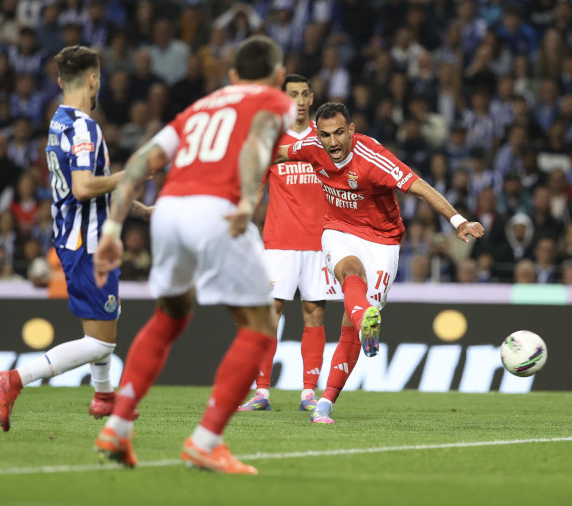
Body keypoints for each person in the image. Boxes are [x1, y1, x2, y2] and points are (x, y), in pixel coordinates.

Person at [92, 35, 296, 474]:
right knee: (261, 325)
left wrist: (112, 228)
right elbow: (257, 142)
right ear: (280, 75)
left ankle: (118, 427)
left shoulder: (200, 107)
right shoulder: (275, 100)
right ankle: (206, 441)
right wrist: (247, 200)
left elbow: (142, 160)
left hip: (168, 211)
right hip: (216, 211)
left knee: (170, 316)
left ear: (233, 75)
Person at [283, 102, 484, 424]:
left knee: (350, 324)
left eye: (339, 133)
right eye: (325, 135)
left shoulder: (373, 158)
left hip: (382, 241)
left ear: (351, 130)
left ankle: (328, 397)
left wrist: (458, 220)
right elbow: (278, 153)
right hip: (339, 229)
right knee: (349, 272)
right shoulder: (311, 148)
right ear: (317, 135)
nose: (333, 142)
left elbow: (420, 188)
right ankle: (362, 325)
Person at [0, 45, 149, 432]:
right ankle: (14, 379)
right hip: (87, 244)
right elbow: (83, 187)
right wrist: (131, 174)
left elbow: (89, 187)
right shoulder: (84, 127)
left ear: (61, 81)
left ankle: (104, 397)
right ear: (93, 79)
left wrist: (138, 208)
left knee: (108, 316)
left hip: (74, 236)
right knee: (101, 343)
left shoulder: (58, 122)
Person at [238, 74, 342, 414]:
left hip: (320, 241)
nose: (298, 100)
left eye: (303, 94)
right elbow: (256, 188)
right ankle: (262, 391)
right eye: (292, 95)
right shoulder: (270, 139)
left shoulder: (325, 137)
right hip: (279, 240)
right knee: (271, 312)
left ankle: (309, 392)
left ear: (312, 98)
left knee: (314, 312)